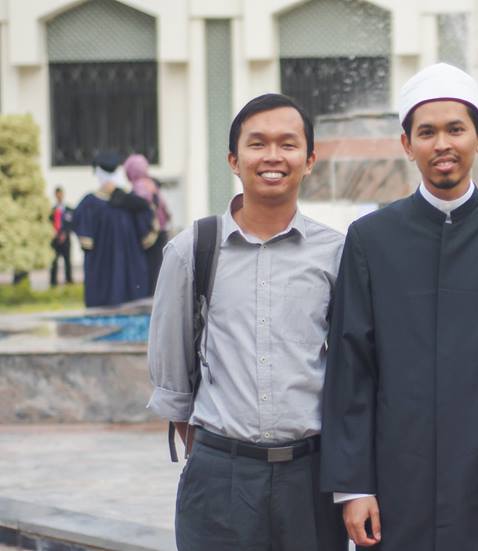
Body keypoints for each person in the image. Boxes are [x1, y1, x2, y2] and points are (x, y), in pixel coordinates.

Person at [320, 63, 478, 551]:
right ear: (406, 144)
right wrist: (354, 487)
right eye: (427, 132)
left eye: (456, 129)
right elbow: (351, 366)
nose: (442, 144)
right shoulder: (371, 239)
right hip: (396, 488)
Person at [146, 93, 347, 551]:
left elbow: (350, 363)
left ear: (309, 160)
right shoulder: (192, 249)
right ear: (234, 160)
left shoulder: (336, 253)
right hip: (220, 478)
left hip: (310, 478)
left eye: (288, 144)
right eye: (257, 144)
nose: (273, 156)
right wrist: (220, 456)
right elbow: (172, 378)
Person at [72, 152, 155, 307]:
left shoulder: (94, 203)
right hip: (111, 264)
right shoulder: (94, 203)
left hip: (111, 264)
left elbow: (84, 236)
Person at [124, 153, 171, 295]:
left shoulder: (139, 188)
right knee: (157, 271)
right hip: (161, 233)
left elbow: (142, 214)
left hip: (148, 237)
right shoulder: (152, 184)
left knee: (149, 273)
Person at [49, 186, 74, 287]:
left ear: (63, 195)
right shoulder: (52, 210)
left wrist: (65, 233)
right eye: (57, 194)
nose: (59, 196)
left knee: (67, 261)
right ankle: (53, 282)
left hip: (66, 240)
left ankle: (69, 281)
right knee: (54, 262)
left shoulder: (69, 210)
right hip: (55, 240)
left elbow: (71, 224)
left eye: (60, 194)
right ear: (55, 195)